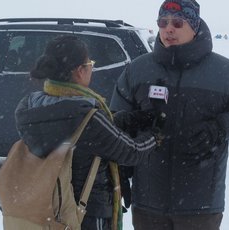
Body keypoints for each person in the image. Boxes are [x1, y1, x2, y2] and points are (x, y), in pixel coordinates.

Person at [110, 0, 229, 230]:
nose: (169, 29)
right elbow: (114, 124)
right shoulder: (137, 71)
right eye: (163, 22)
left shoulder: (227, 73)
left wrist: (220, 127)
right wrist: (126, 135)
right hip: (148, 201)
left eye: (178, 23)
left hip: (200, 204)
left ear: (195, 26)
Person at [15, 35, 159, 230]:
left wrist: (126, 118)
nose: (92, 67)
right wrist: (155, 135)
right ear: (80, 71)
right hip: (87, 210)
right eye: (90, 63)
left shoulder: (30, 105)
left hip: (50, 206)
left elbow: (77, 130)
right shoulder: (86, 115)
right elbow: (130, 151)